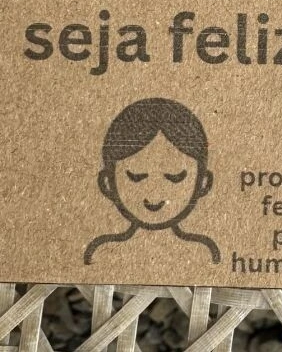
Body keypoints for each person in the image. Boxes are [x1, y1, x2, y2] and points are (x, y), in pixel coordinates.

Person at [84, 97, 221, 265]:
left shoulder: (204, 255)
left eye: (175, 176)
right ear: (107, 183)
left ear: (203, 183)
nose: (154, 193)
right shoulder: (101, 255)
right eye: (136, 176)